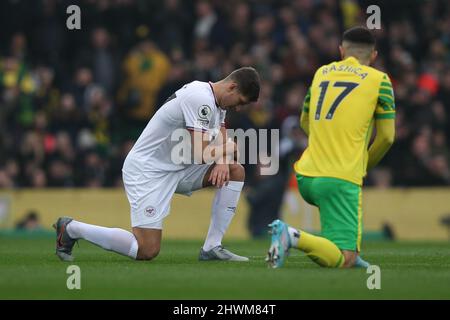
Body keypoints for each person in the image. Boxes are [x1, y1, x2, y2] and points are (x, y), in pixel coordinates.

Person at [53, 67, 260, 262]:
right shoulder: (200, 98)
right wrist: (230, 148)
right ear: (232, 87)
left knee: (235, 170)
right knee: (146, 250)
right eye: (240, 102)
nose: (239, 108)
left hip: (178, 169)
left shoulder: (217, 103)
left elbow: (221, 141)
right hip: (147, 171)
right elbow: (202, 154)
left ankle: (212, 247)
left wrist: (224, 159)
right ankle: (71, 229)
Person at [266, 27, 395, 268]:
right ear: (374, 56)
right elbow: (387, 137)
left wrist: (327, 143)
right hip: (340, 177)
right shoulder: (380, 81)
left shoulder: (321, 73)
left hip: (306, 175)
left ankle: (350, 252)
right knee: (343, 259)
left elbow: (305, 122)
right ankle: (291, 236)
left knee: (341, 239)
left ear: (341, 51)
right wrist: (363, 165)